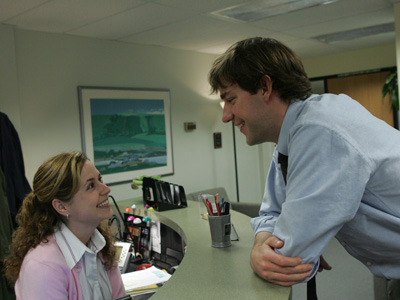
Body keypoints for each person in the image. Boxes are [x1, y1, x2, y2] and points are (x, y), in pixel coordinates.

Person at [208, 37, 400, 298]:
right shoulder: (292, 137)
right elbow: (270, 213)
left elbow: (291, 257)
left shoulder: (319, 131)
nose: (225, 115)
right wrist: (262, 242)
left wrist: (260, 256)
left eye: (231, 99)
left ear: (264, 87)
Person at [3, 151, 126, 300]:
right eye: (91, 186)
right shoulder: (43, 266)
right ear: (62, 206)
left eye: (100, 179)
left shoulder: (99, 244)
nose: (106, 189)